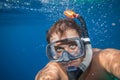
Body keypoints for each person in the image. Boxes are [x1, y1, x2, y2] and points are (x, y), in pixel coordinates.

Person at [35, 10, 120, 80]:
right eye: (59, 49)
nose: (66, 57)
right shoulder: (52, 71)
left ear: (84, 46)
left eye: (72, 46)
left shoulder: (103, 59)